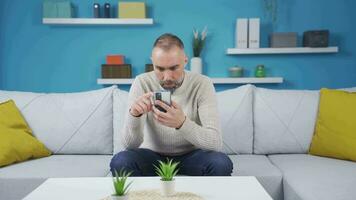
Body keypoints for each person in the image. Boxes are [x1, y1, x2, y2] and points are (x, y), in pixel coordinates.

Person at [110, 33, 233, 176]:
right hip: (152, 157)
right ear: (152, 62)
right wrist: (134, 115)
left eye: (174, 68)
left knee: (220, 163)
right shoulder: (142, 82)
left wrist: (181, 123)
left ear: (185, 60)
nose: (167, 77)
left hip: (192, 156)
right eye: (160, 69)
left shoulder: (202, 84)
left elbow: (215, 143)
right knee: (121, 161)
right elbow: (129, 145)